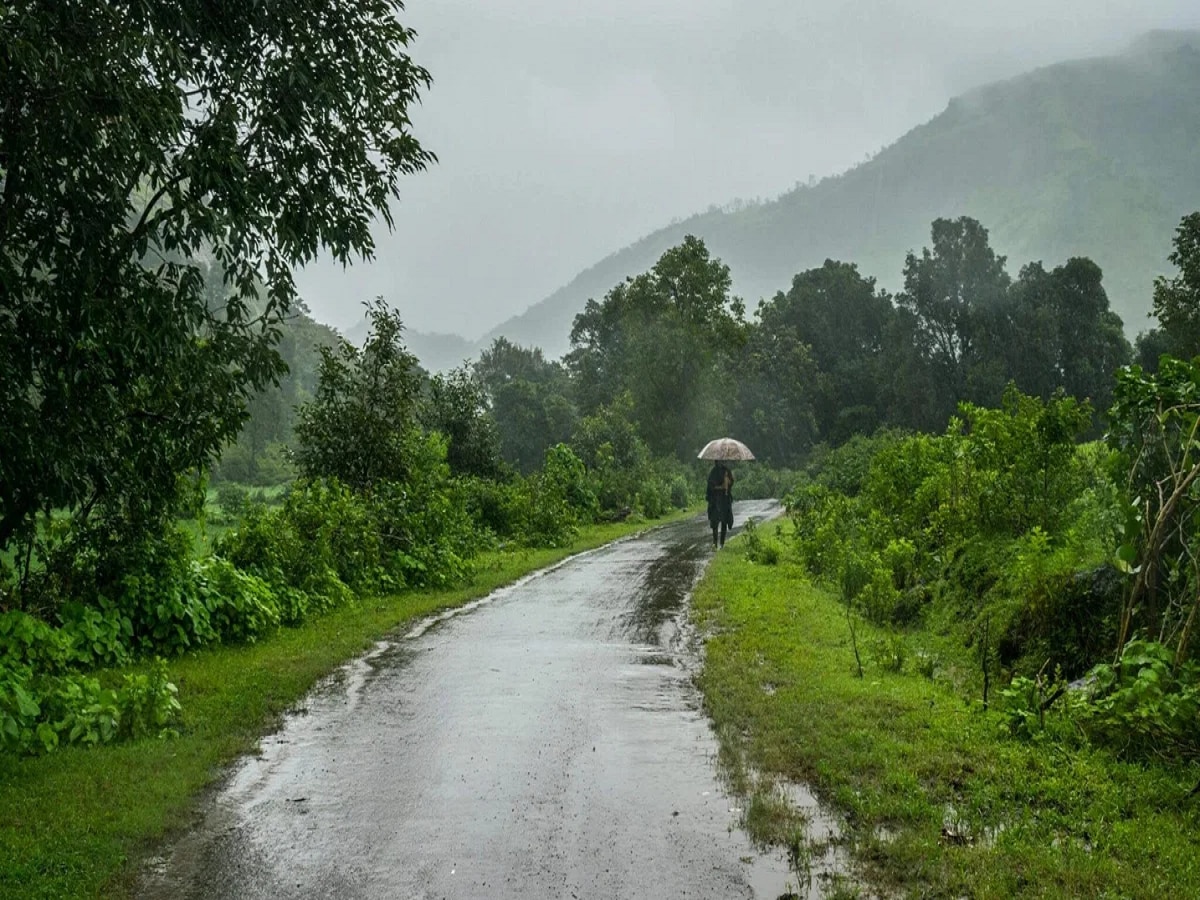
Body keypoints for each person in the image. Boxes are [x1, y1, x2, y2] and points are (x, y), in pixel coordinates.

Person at [705, 461, 734, 548]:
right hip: (715, 501)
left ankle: (722, 543)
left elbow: (731, 482)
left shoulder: (727, 470)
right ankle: (715, 543)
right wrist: (720, 487)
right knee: (715, 522)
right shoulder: (713, 472)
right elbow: (710, 486)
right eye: (717, 461)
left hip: (725, 500)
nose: (719, 462)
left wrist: (728, 481)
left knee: (724, 521)